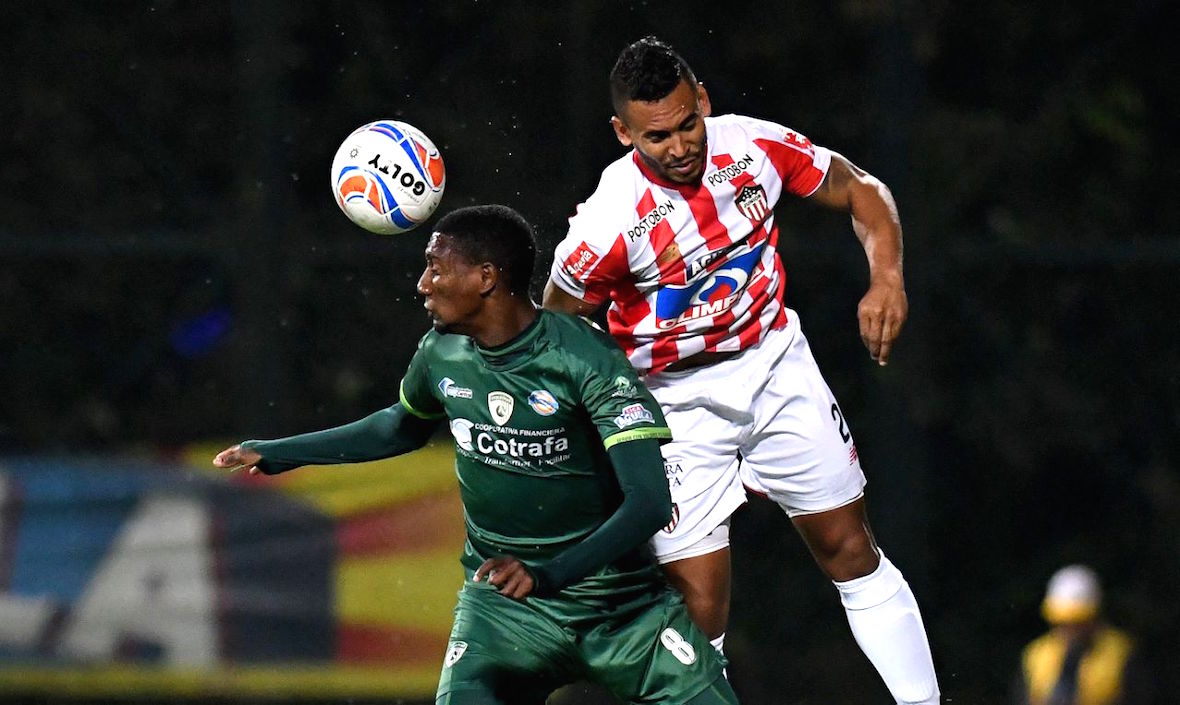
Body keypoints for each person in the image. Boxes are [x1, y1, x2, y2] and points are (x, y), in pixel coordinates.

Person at [542, 36, 939, 703]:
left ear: (703, 100)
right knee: (698, 606)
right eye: (656, 135)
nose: (679, 145)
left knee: (848, 547)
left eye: (687, 122)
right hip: (672, 404)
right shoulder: (608, 221)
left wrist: (887, 277)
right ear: (623, 133)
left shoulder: (752, 147)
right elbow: (557, 325)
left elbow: (860, 189)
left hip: (775, 366)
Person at [213, 204, 740, 705]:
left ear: (486, 278)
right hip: (504, 611)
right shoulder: (441, 352)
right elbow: (399, 428)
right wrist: (279, 452)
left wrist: (548, 573)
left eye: (436, 269)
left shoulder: (586, 359)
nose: (423, 285)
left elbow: (648, 503)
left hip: (619, 606)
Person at [1014, 565, 1153, 705]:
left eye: (1078, 621)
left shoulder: (1122, 654)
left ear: (1094, 616)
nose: (1070, 630)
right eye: (1062, 621)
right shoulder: (1036, 655)